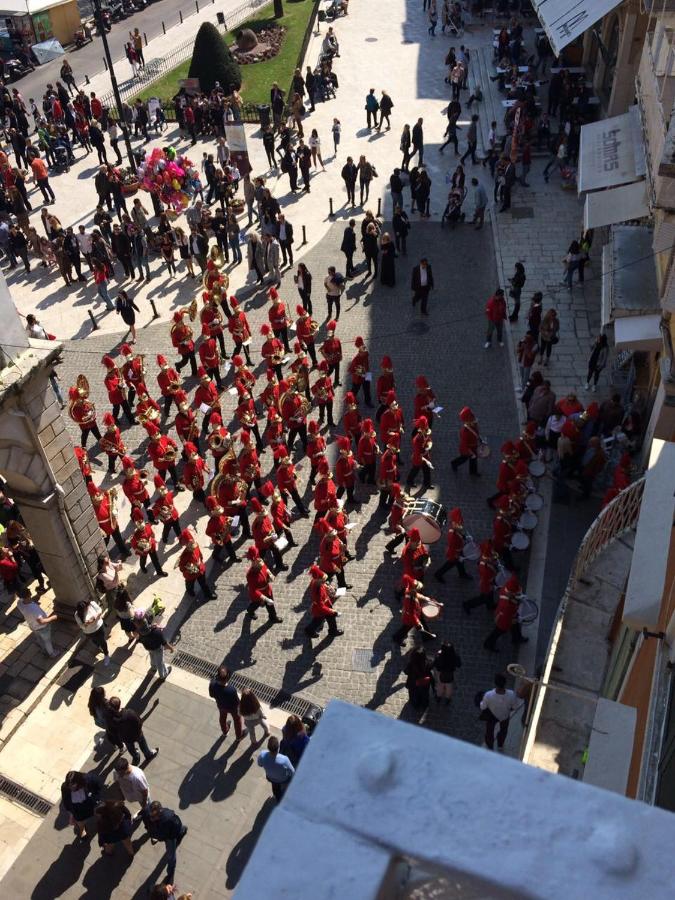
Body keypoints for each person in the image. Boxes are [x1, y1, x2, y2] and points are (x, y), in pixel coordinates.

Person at [141, 801, 188, 884]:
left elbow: (177, 825)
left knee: (171, 855)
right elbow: (146, 821)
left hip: (169, 837)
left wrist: (170, 837)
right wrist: (151, 832)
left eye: (154, 816)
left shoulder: (169, 818)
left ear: (160, 811)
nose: (152, 819)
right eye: (151, 816)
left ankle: (171, 871)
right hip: (162, 834)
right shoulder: (146, 812)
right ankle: (181, 832)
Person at [107, 695, 159, 765]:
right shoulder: (129, 712)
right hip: (137, 734)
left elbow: (112, 731)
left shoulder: (111, 719)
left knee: (131, 749)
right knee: (143, 744)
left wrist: (120, 737)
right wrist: (139, 730)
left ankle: (136, 757)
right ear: (120, 704)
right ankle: (148, 755)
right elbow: (139, 721)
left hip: (126, 738)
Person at [61, 770, 103, 840]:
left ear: (79, 782)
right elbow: (66, 801)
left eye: (73, 786)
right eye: (69, 786)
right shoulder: (65, 787)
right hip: (77, 809)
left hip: (90, 804)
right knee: (80, 821)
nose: (71, 789)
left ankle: (102, 823)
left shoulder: (89, 779)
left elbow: (98, 785)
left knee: (98, 813)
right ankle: (83, 830)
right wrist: (71, 815)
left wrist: (96, 799)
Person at [480, 672, 517, 750]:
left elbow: (483, 707)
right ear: (505, 683)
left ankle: (490, 745)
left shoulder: (488, 695)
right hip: (505, 716)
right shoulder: (511, 694)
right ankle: (500, 744)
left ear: (495, 683)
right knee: (503, 730)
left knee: (489, 731)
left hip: (492, 716)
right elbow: (514, 707)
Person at [18, 588, 58, 657]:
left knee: (39, 637)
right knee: (47, 641)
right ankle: (52, 653)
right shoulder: (33, 609)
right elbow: (41, 621)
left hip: (32, 625)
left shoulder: (19, 602)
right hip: (42, 628)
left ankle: (43, 647)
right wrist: (52, 618)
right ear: (29, 594)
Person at [209, 665, 243, 740]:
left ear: (218, 675)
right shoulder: (231, 689)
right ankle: (238, 736)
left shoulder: (212, 684)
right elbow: (237, 702)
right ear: (228, 677)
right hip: (233, 709)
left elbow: (211, 695)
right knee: (237, 720)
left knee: (222, 717)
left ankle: (225, 731)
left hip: (221, 706)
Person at [258, 735, 295, 802]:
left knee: (275, 788)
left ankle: (277, 797)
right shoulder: (284, 759)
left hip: (270, 777)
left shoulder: (262, 755)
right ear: (278, 748)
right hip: (283, 779)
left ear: (268, 747)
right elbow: (292, 772)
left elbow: (259, 764)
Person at [74, 598, 110, 666]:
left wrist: (95, 617)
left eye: (86, 607)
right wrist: (87, 623)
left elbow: (99, 610)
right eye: (84, 609)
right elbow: (81, 626)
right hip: (89, 632)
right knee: (95, 641)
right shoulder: (77, 615)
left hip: (99, 627)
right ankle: (99, 647)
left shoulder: (92, 604)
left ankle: (106, 654)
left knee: (102, 641)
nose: (86, 609)